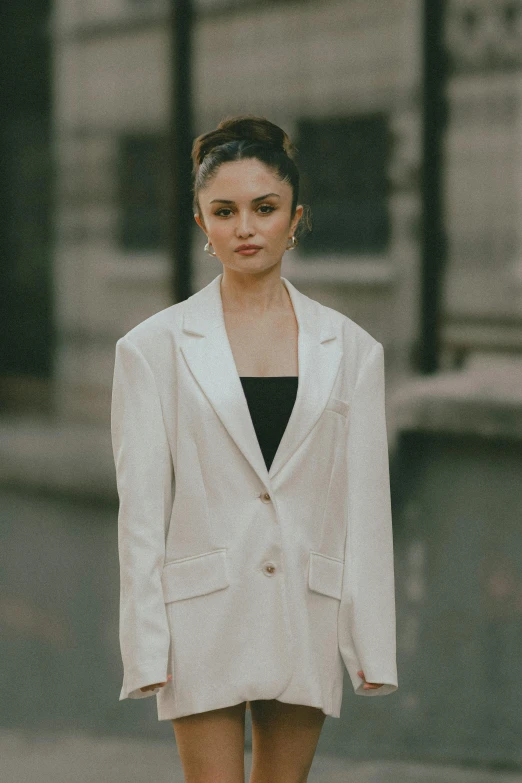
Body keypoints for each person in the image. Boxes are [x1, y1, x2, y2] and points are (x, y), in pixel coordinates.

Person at [111, 114, 398, 783]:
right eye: (225, 210)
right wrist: (147, 645)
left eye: (264, 208)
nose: (245, 227)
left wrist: (370, 646)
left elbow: (366, 507)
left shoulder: (351, 349)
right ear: (200, 220)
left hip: (306, 607)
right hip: (201, 612)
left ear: (295, 217)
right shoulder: (152, 349)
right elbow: (141, 513)